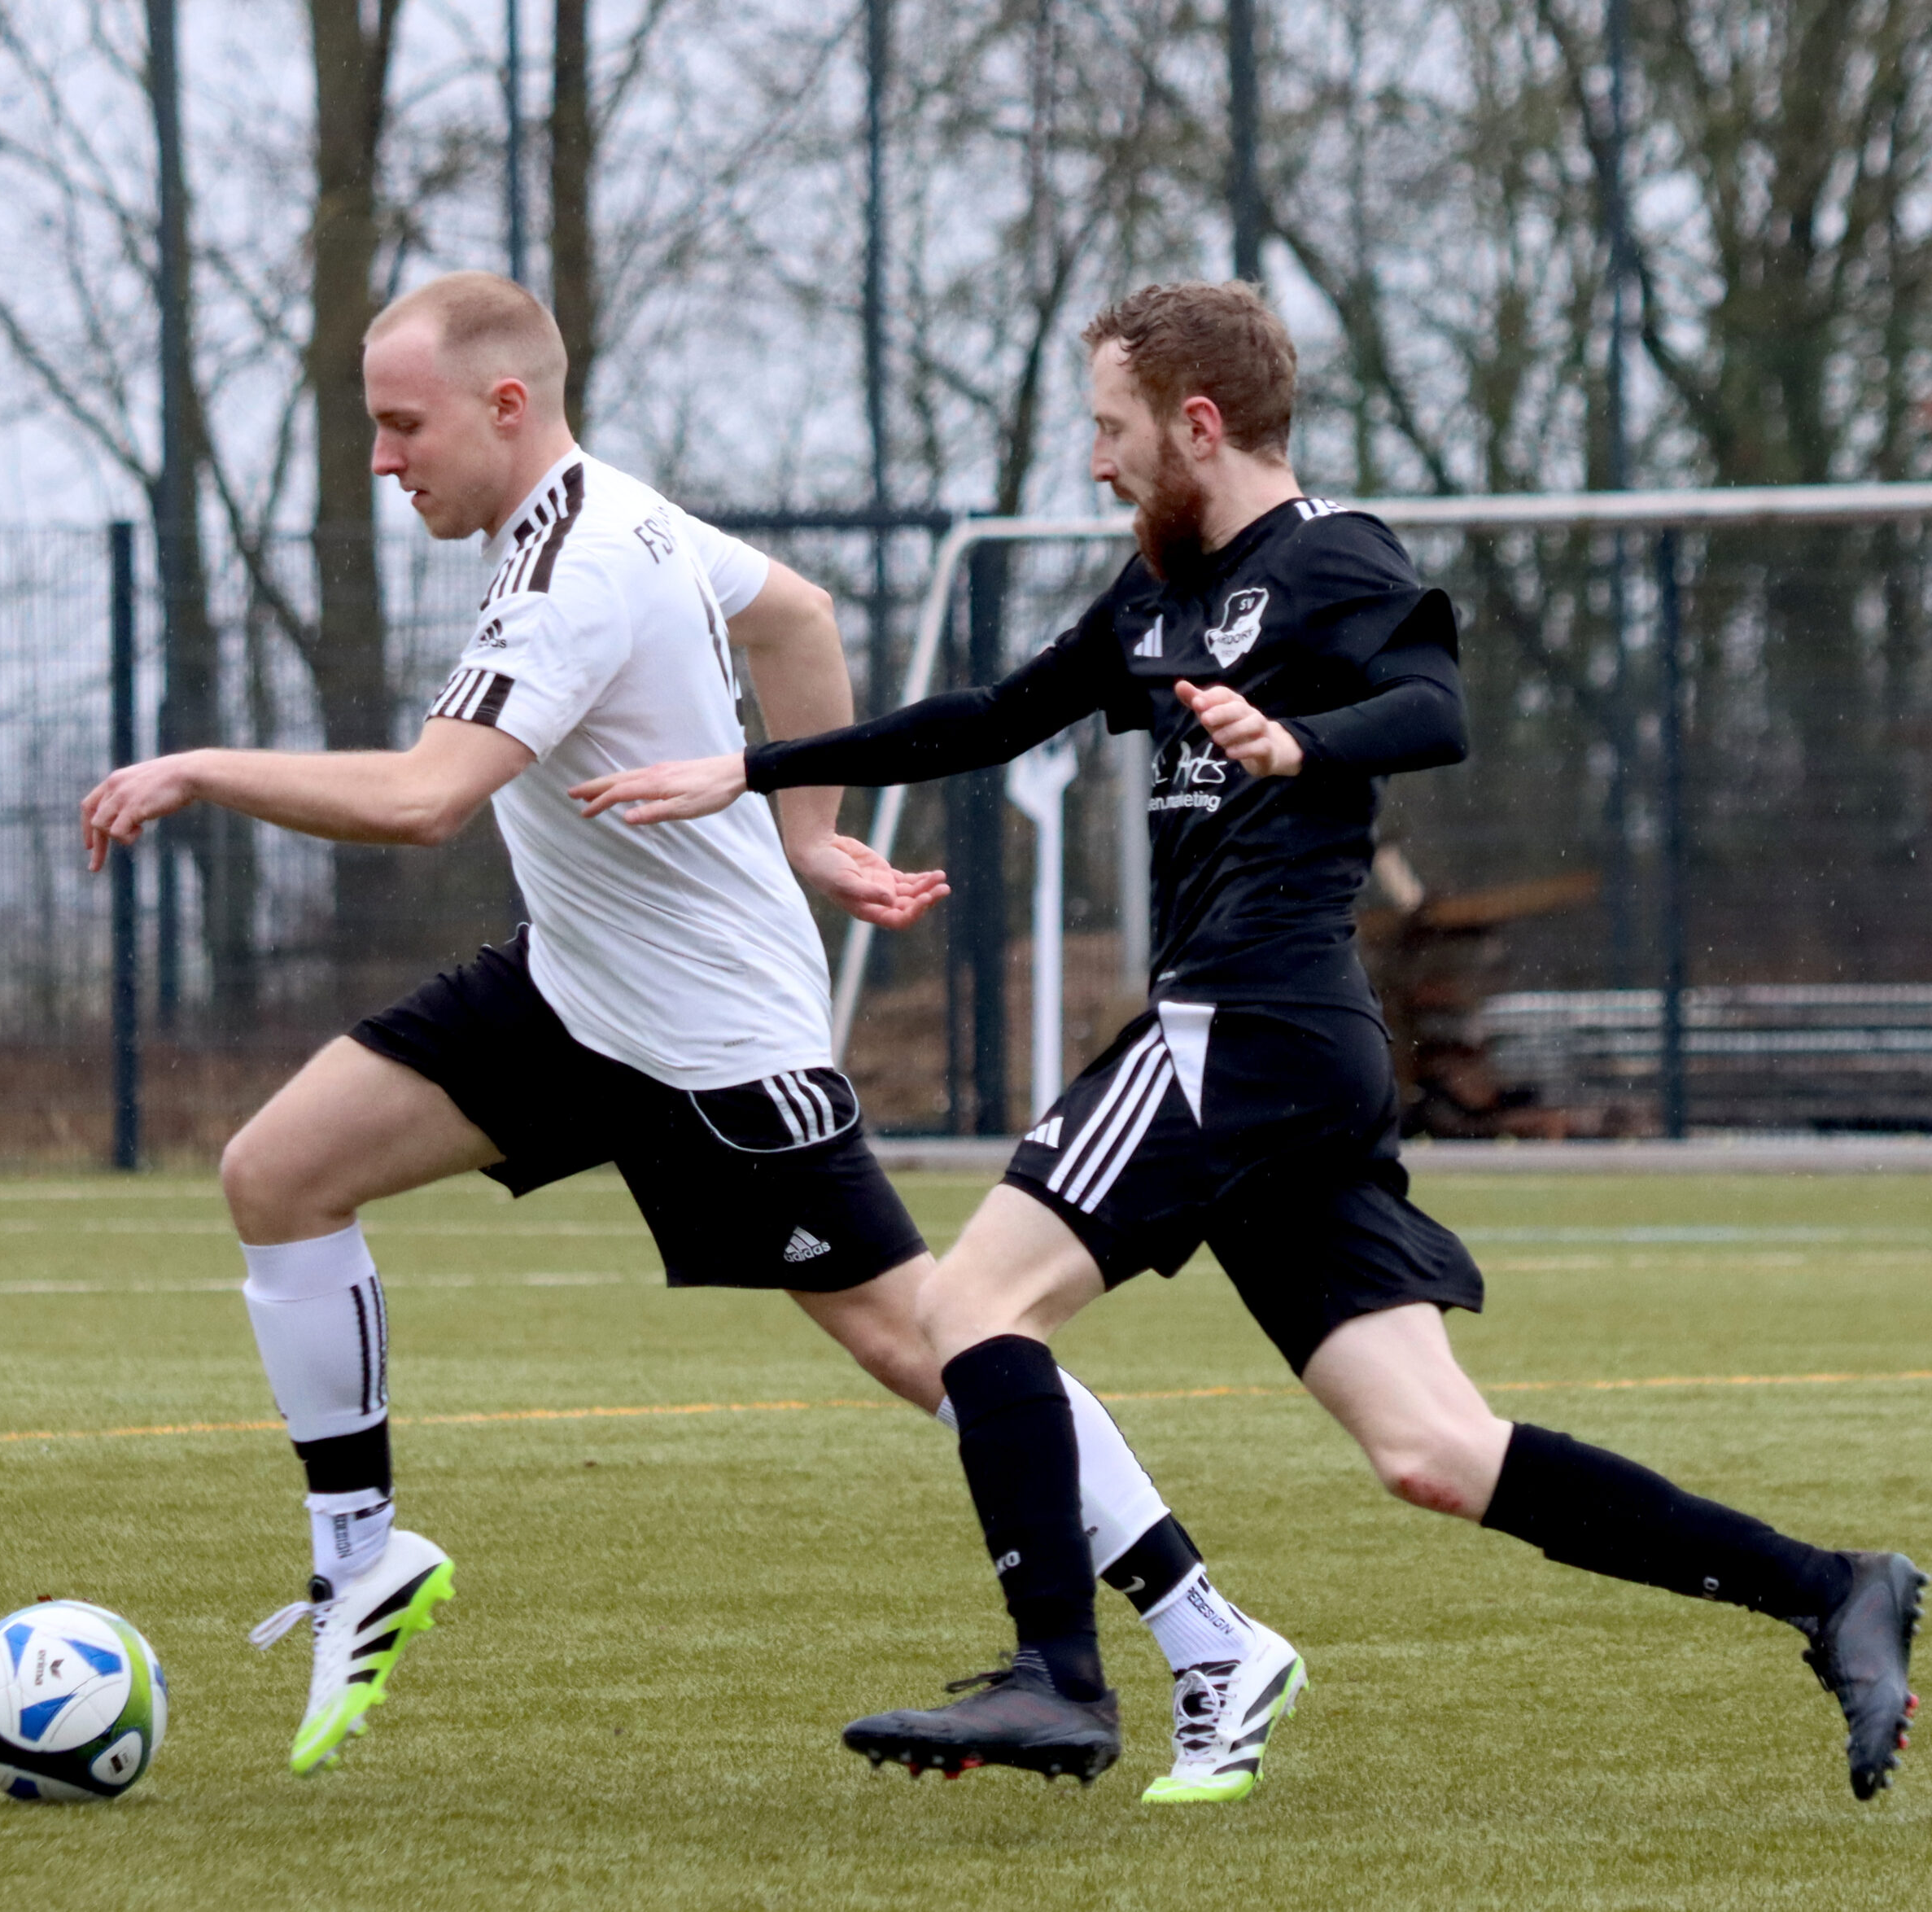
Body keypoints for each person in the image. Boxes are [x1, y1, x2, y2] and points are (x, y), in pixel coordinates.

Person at [571, 278, 1925, 1800]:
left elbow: (1434, 707)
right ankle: (1832, 1588)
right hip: (1290, 1062)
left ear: (1198, 424)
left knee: (967, 1310)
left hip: (1249, 1018)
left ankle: (1057, 1675)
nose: (1095, 460)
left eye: (1111, 428)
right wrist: (751, 770)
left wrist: (1304, 741)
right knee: (1434, 1450)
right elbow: (992, 716)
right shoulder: (1157, 592)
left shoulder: (1332, 555)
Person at [81, 271, 1303, 1801]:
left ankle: (1210, 1634)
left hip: (714, 1043)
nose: (383, 460)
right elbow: (797, 615)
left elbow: (425, 797)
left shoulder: (582, 563)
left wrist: (200, 766)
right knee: (278, 1174)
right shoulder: (602, 513)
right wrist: (808, 830)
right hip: (571, 990)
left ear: (506, 405)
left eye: (403, 426)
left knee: (933, 1337)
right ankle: (363, 1557)